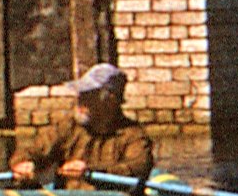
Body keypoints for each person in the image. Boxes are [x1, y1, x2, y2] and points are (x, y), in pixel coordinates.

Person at [12, 63, 155, 187]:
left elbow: (138, 168)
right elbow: (34, 149)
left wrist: (90, 172)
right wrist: (24, 162)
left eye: (88, 94)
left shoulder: (133, 135)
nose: (80, 99)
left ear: (110, 100)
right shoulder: (68, 128)